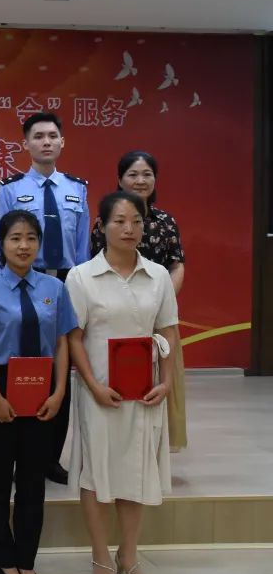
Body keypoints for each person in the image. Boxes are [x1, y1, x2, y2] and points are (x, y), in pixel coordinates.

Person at [66, 191, 180, 574]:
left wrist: (166, 381)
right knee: (97, 473)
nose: (129, 228)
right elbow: (74, 338)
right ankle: (100, 556)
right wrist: (94, 385)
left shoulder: (158, 276)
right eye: (119, 221)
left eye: (136, 221)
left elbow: (167, 332)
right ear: (101, 226)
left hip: (144, 391)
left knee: (136, 471)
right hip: (99, 391)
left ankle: (129, 555)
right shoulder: (81, 277)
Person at [0, 210, 78, 574]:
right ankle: (3, 558)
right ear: (1, 243)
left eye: (31, 238)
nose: (23, 245)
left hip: (43, 389)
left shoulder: (55, 288)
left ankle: (27, 558)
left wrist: (59, 392)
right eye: (15, 238)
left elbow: (62, 341)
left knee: (33, 480)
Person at [0, 112, 89, 486]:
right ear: (26, 144)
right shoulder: (9, 189)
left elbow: (82, 245)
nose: (46, 141)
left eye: (52, 135)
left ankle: (50, 456)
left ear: (62, 142)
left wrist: (78, 284)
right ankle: (15, 449)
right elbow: (3, 241)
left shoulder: (77, 188)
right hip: (22, 280)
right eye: (38, 136)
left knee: (58, 365)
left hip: (64, 281)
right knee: (20, 362)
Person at [91, 150, 187, 452]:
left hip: (157, 314)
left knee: (161, 380)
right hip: (114, 313)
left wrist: (161, 300)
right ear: (120, 179)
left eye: (147, 174)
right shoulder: (103, 221)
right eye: (132, 174)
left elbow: (177, 265)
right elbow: (95, 266)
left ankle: (159, 449)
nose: (140, 180)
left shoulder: (166, 222)